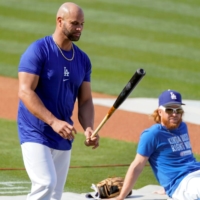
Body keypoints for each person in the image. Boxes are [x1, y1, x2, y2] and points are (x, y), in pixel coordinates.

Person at [17, 2, 99, 200]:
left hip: (64, 133)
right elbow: (25, 91)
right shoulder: (38, 51)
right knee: (45, 184)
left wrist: (89, 127)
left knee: (55, 195)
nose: (79, 28)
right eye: (74, 23)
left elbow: (85, 99)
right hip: (35, 130)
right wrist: (52, 121)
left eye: (82, 24)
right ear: (59, 21)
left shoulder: (83, 60)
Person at [107, 89, 200, 200]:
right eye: (169, 110)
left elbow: (178, 157)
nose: (174, 114)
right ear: (160, 112)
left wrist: (165, 188)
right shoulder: (152, 134)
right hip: (181, 183)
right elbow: (137, 165)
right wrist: (121, 196)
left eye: (178, 110)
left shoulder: (182, 126)